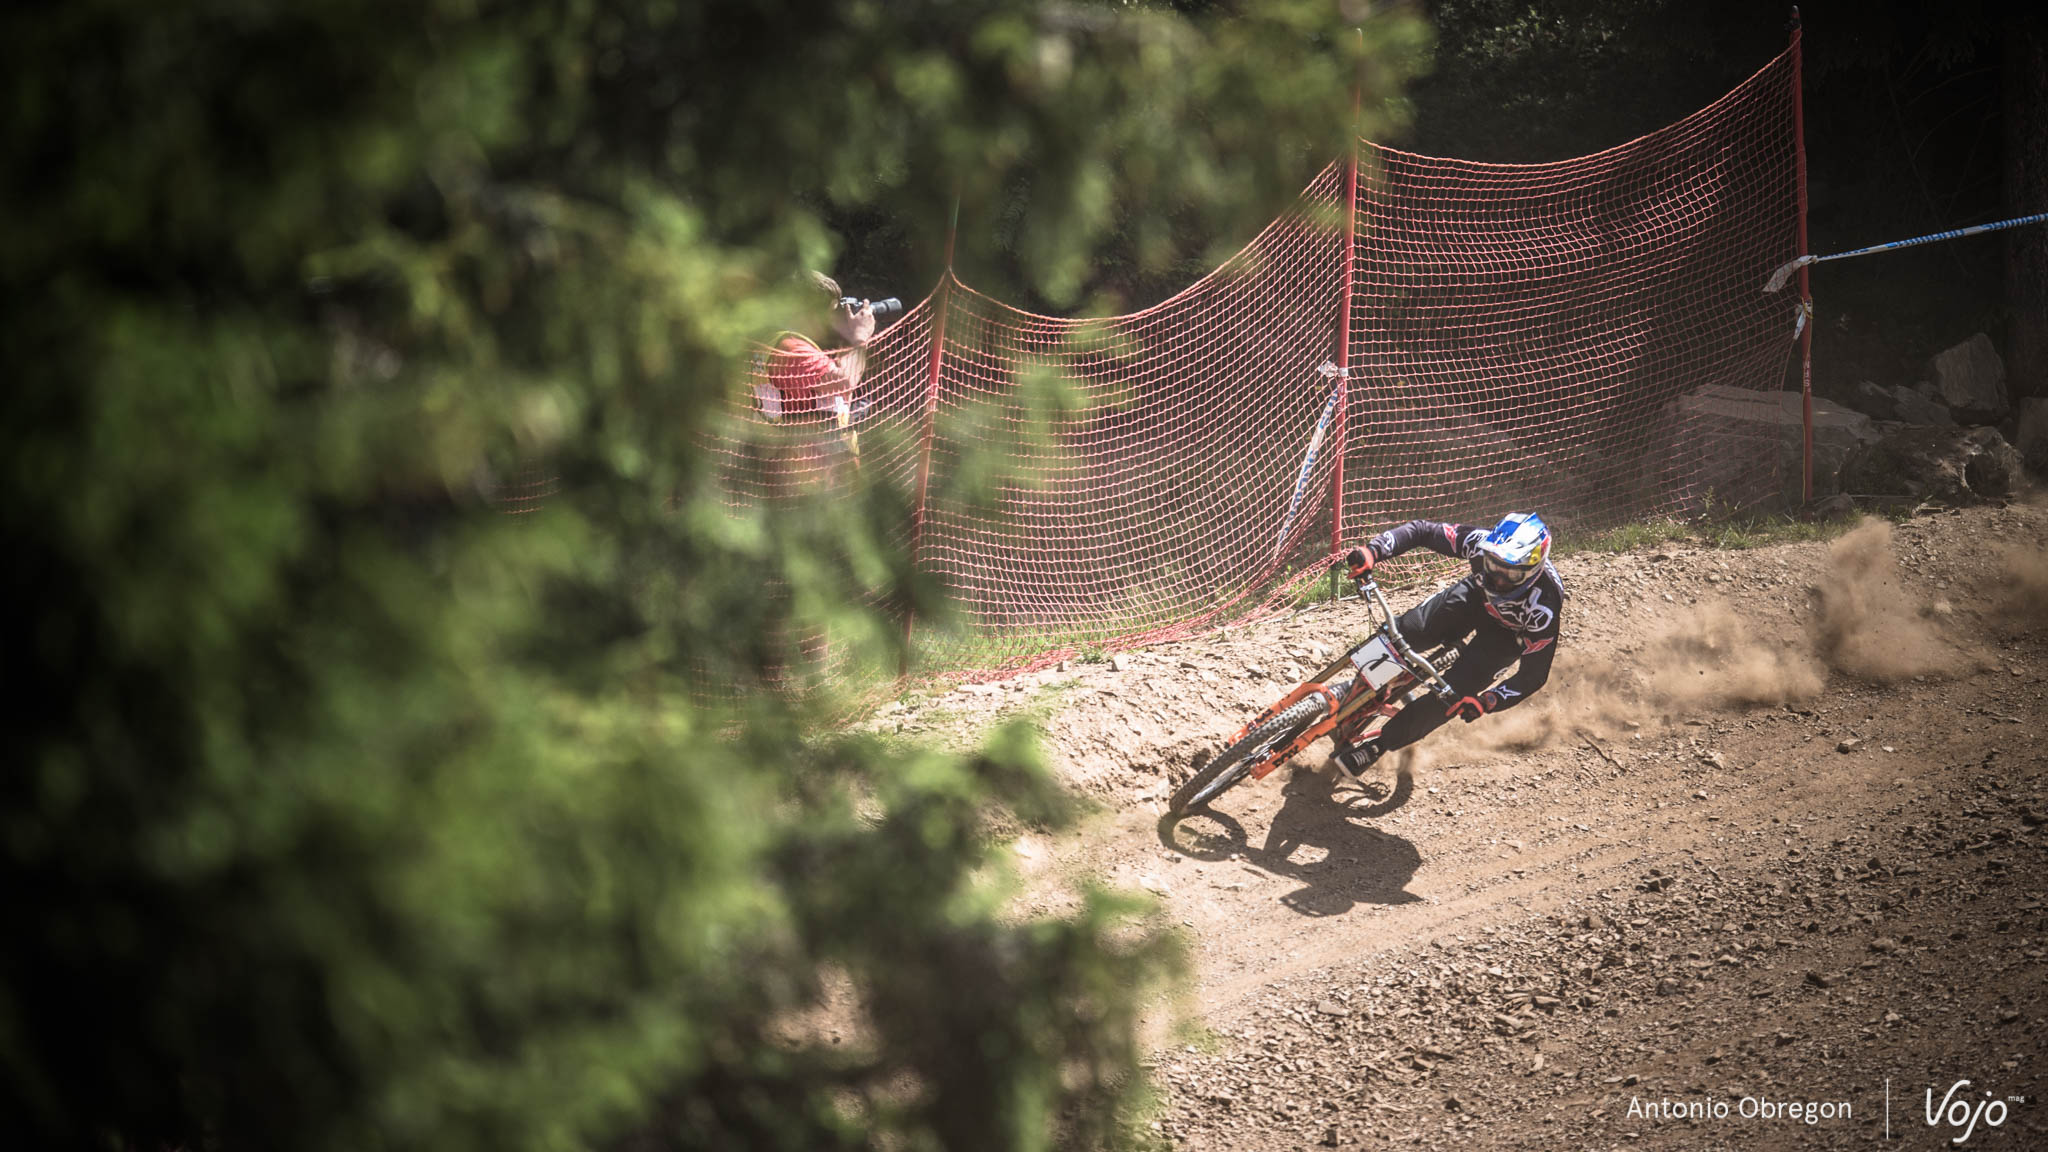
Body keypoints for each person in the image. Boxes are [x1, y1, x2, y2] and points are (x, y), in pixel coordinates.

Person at [1330, 512, 1564, 783]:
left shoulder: (1543, 607)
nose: (1498, 578)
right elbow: (1423, 530)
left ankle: (1378, 745)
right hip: (1475, 599)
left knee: (1453, 697)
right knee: (1405, 633)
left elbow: (1533, 676)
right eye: (1492, 565)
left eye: (1510, 573)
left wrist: (1488, 701)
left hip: (1506, 636)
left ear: (1533, 570)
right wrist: (1374, 551)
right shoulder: (1480, 543)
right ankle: (1361, 682)